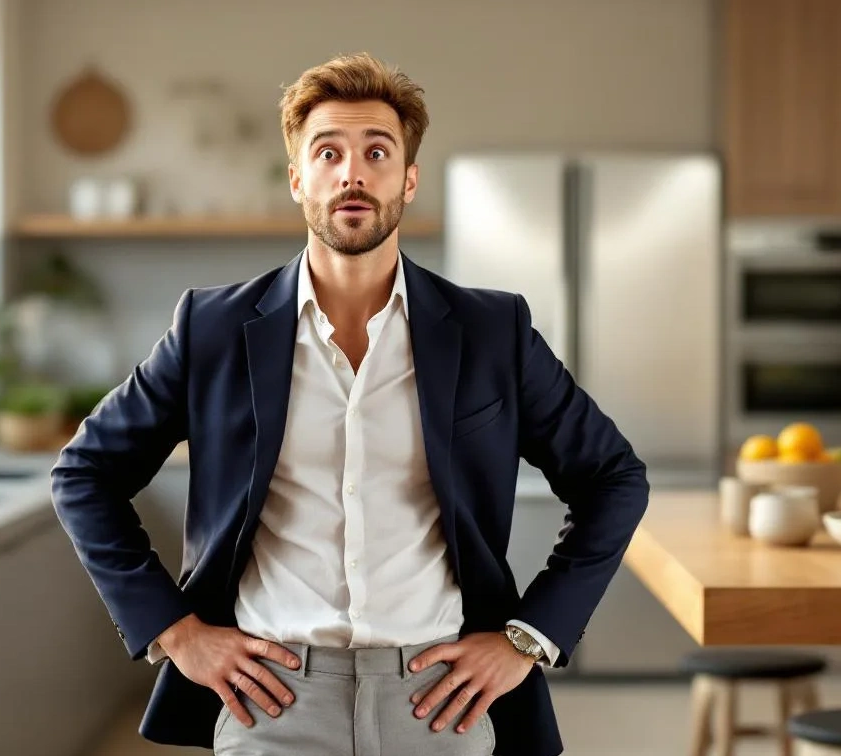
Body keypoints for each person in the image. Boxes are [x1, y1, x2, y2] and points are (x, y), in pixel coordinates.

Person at [50, 52, 650, 756]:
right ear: (297, 178)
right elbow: (83, 474)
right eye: (328, 152)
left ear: (409, 179)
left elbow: (614, 478)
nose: (352, 173)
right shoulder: (211, 330)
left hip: (441, 702)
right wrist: (175, 632)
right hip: (268, 699)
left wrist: (528, 637)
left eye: (377, 152)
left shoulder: (493, 332)